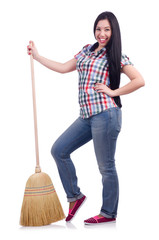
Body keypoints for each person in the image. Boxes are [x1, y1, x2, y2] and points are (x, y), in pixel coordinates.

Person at [27, 11, 145, 225]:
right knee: (59, 150)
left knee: (106, 166)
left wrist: (113, 92)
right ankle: (75, 196)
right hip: (86, 116)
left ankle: (108, 213)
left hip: (106, 115)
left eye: (107, 29)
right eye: (99, 29)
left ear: (113, 31)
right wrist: (37, 56)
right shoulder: (86, 51)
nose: (102, 33)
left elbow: (139, 80)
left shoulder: (115, 54)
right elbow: (63, 68)